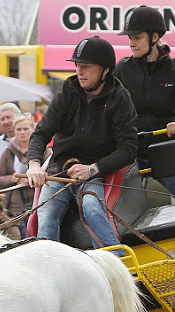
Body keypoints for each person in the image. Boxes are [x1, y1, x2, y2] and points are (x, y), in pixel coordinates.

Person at [27, 36, 138, 250]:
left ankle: (117, 265)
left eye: (86, 67)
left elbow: (128, 149)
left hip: (94, 171)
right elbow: (41, 133)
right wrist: (33, 164)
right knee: (46, 213)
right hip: (58, 170)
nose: (79, 71)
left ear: (105, 70)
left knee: (92, 209)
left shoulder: (120, 98)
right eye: (77, 66)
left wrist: (93, 169)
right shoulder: (67, 90)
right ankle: (50, 269)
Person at [114, 5, 175, 203]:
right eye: (129, 39)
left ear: (154, 37)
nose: (131, 44)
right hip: (130, 151)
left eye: (137, 38)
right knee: (115, 206)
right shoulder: (122, 67)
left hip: (165, 150)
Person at [0, 114, 37, 220]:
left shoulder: (43, 150)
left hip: (37, 204)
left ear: (33, 129)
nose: (22, 132)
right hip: (12, 206)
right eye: (19, 129)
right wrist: (11, 178)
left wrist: (30, 180)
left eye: (26, 129)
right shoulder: (8, 151)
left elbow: (51, 176)